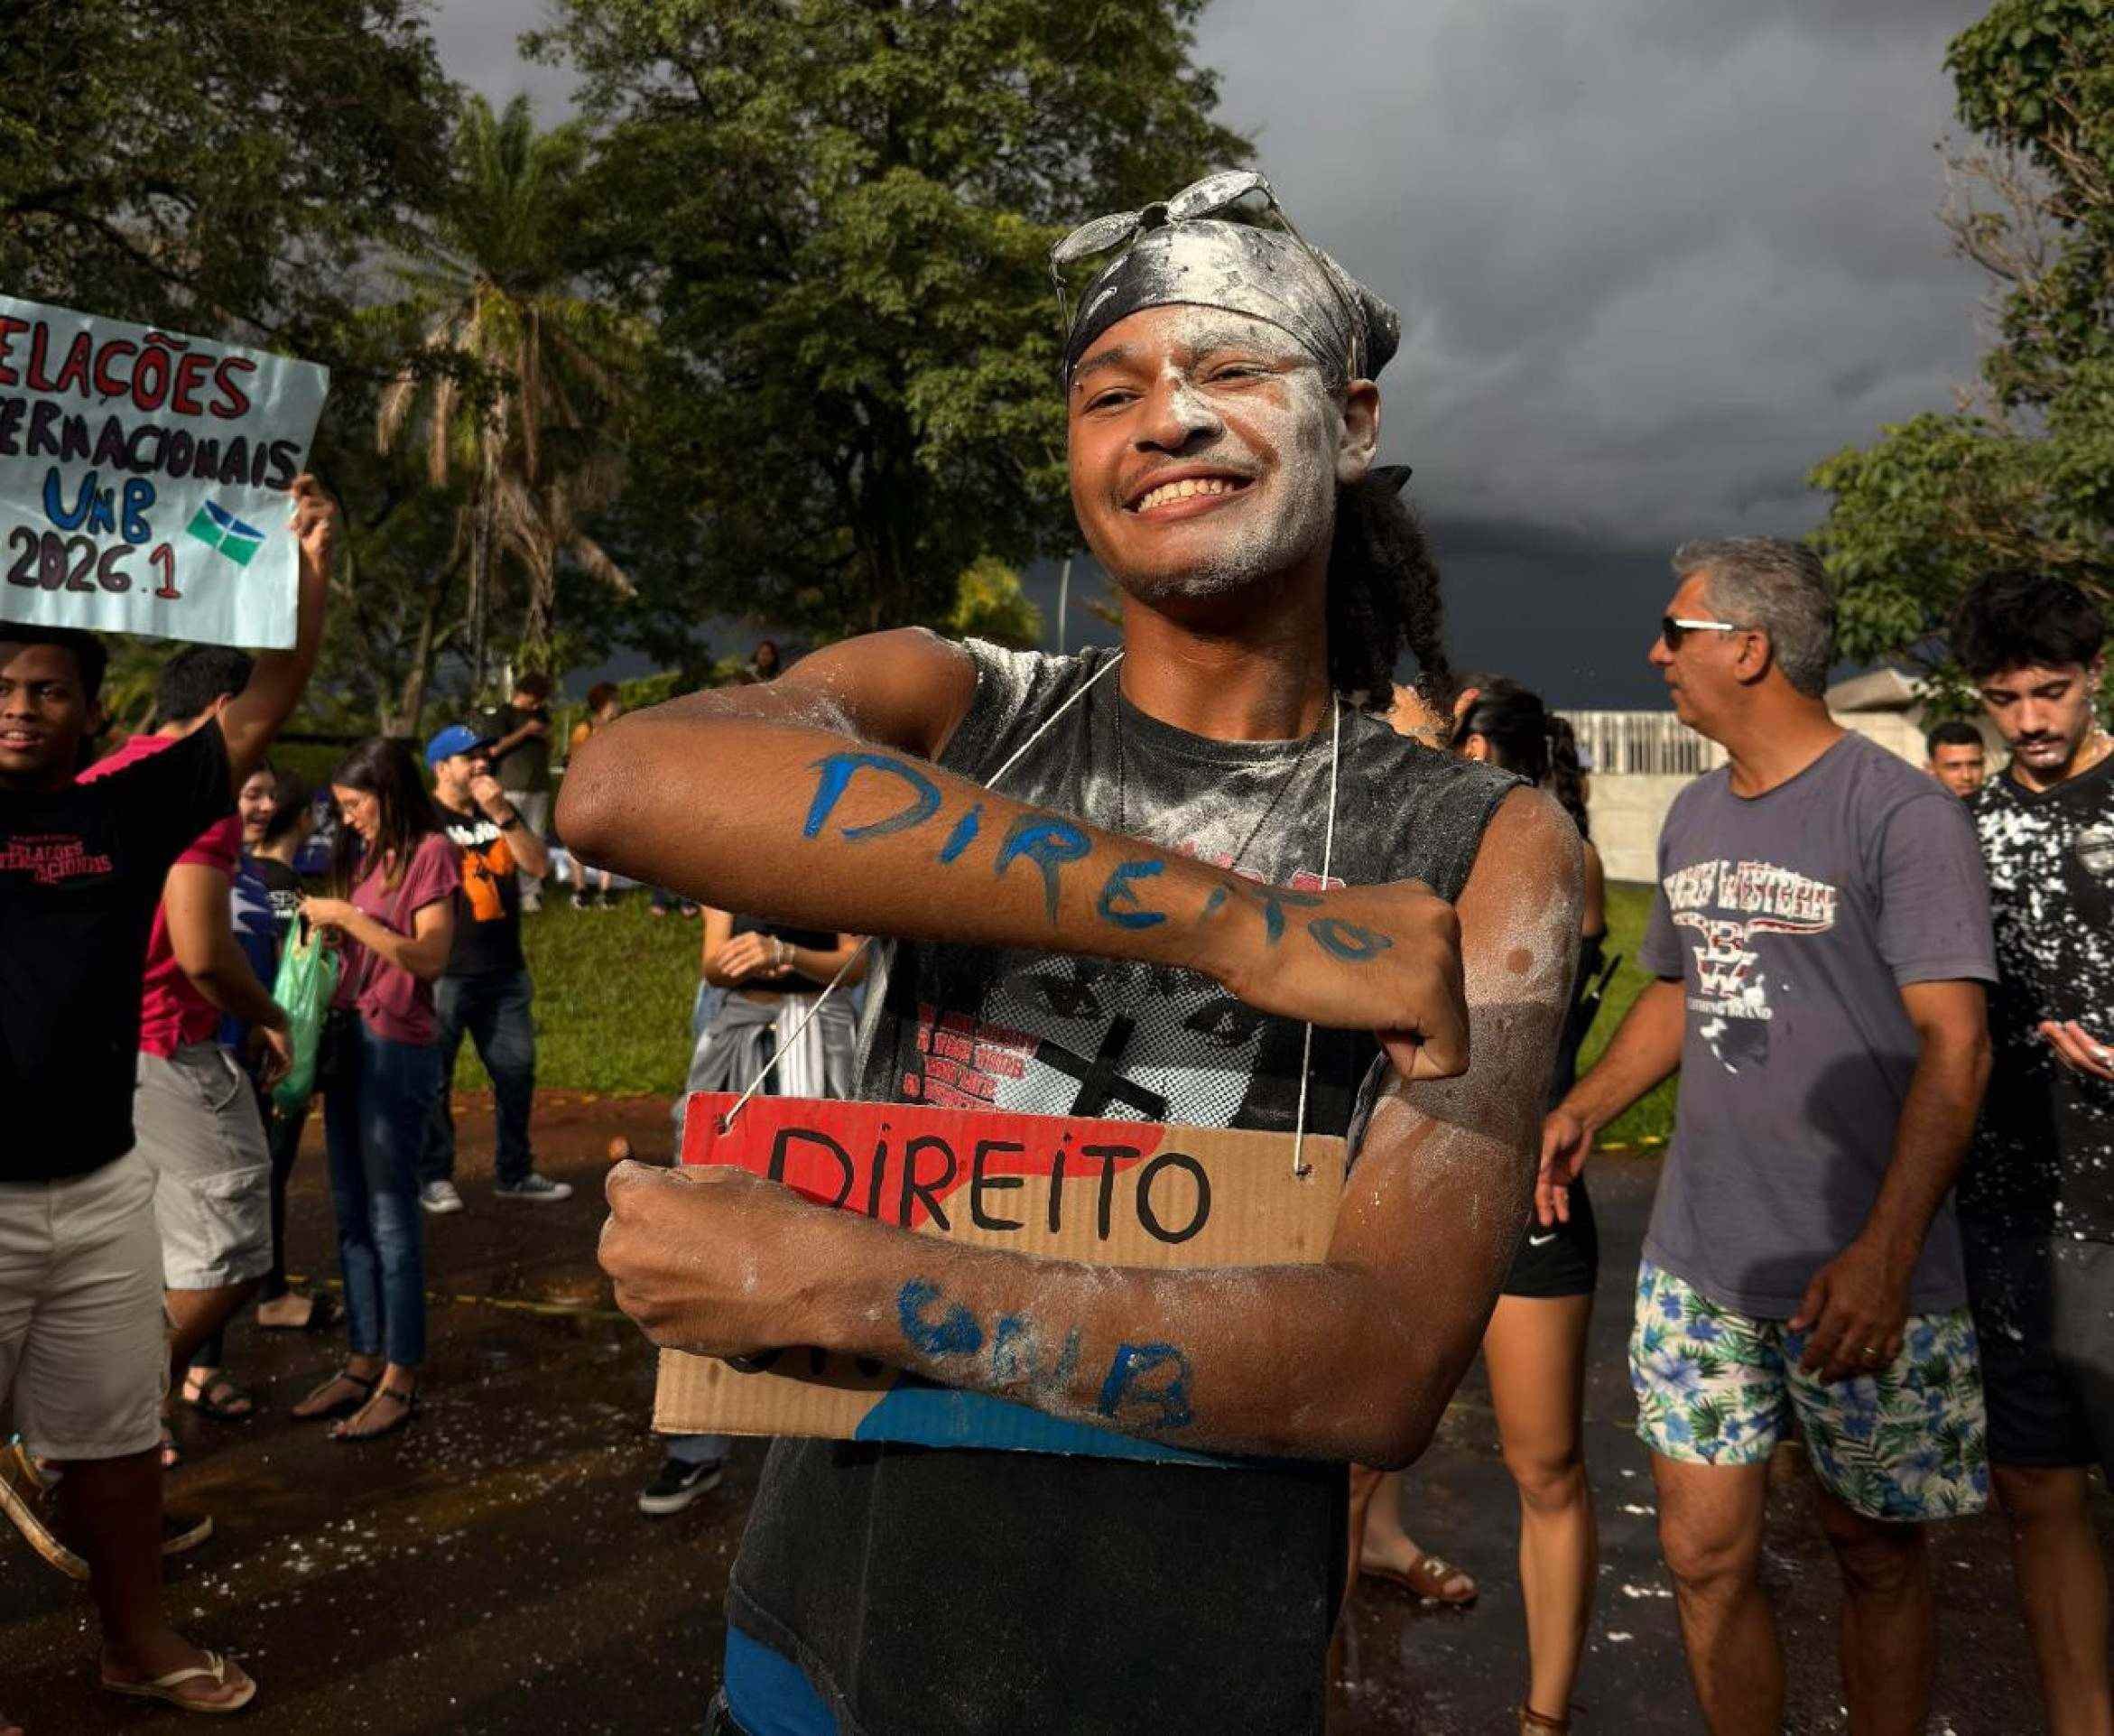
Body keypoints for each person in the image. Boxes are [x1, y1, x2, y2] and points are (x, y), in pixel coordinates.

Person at [563, 171, 1583, 1736]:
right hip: (818, 1636)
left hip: (1170, 1668)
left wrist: (850, 1276)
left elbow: (1380, 1362)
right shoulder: (963, 707)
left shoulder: (1478, 850)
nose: (1163, 418)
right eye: (1110, 392)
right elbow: (624, 785)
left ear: (1354, 421)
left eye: (1230, 371)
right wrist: (1233, 922)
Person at [1540, 537, 1994, 1736]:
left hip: (1863, 1272)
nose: (1652, 653)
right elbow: (1678, 991)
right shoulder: (1692, 813)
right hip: (1700, 1267)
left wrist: (1884, 1255)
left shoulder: (1899, 815)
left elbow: (1957, 1047)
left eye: (1672, 630)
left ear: (1746, 647)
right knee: (1698, 1557)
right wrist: (1581, 1104)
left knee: (1874, 1555)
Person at [0, 476, 337, 1719]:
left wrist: (301, 566)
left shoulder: (129, 806)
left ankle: (136, 1640)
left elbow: (267, 703)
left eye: (46, 687)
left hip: (97, 1186)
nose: (22, 706)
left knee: (117, 1441)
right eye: (2, 687)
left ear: (90, 710)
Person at [1352, 677, 1607, 1732]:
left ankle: (1543, 1719)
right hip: (1405, 1179)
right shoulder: (1429, 848)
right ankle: (1328, 1646)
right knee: (1350, 1444)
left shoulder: (1555, 856)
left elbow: (1495, 965)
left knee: (1542, 1461)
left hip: (1523, 1189)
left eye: (1454, 741)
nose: (1437, 757)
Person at [1949, 571, 2114, 1736]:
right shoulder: (1955, 830)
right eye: (2003, 701)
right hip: (2004, 1214)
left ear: (2093, 674)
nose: (2029, 722)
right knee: (2035, 1494)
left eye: (2050, 692)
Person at [80, 649, 298, 1460]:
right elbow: (202, 951)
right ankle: (88, 1424)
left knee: (145, 1251)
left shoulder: (103, 773)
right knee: (232, 1254)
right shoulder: (196, 787)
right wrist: (272, 1015)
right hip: (167, 1042)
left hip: (92, 1045)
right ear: (221, 709)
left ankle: (126, 1433)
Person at [641, 910, 869, 1517]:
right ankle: (699, 1435)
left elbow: (858, 960)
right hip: (737, 1037)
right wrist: (740, 960)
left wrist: (783, 952)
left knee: (822, 1223)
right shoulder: (730, 852)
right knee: (704, 1226)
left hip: (820, 1038)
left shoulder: (832, 854)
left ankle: (817, 1433)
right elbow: (712, 960)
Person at [289, 738, 459, 1444]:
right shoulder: (367, 858)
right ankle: (362, 1358)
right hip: (351, 1046)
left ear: (387, 793)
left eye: (356, 805)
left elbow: (429, 956)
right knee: (351, 1213)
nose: (349, 818)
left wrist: (351, 920)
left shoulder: (429, 850)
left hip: (397, 1050)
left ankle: (402, 1373)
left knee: (391, 1219)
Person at [417, 723, 569, 1211]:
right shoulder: (425, 818)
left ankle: (515, 1171)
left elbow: (539, 867)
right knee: (434, 1078)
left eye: (485, 755)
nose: (483, 764)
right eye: (470, 758)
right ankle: (433, 1175)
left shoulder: (502, 813)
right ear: (443, 768)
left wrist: (502, 813)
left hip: (504, 969)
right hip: (445, 970)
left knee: (516, 1073)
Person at [242, 775, 333, 1332]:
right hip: (276, 1051)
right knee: (268, 1174)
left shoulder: (234, 879)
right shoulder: (292, 892)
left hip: (232, 1046)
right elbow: (296, 986)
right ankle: (269, 1292)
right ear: (304, 819)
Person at [479, 671, 554, 913]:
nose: (538, 704)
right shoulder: (504, 714)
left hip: (538, 786)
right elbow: (492, 750)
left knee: (536, 838)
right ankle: (504, 889)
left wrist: (543, 733)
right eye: (536, 698)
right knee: (510, 839)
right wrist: (525, 732)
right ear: (524, 693)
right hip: (511, 786)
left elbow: (549, 743)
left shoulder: (541, 715)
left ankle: (530, 893)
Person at [568, 684, 623, 908]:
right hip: (584, 791)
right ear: (605, 704)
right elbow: (574, 759)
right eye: (616, 700)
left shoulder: (620, 728)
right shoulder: (584, 729)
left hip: (610, 792)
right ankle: (580, 889)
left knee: (608, 842)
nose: (619, 705)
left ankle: (605, 890)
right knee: (577, 841)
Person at [1925, 718, 1988, 799]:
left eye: (1974, 765)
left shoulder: (2002, 806)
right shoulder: (1914, 809)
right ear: (1931, 769)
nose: (1967, 776)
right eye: (1954, 766)